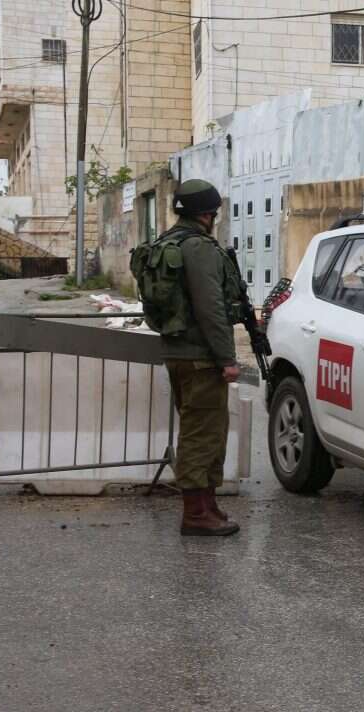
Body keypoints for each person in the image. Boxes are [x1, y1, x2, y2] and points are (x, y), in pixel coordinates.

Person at [159, 179, 242, 536]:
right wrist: (227, 358)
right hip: (201, 357)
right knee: (200, 435)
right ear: (206, 214)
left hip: (178, 352)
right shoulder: (199, 248)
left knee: (206, 430)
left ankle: (207, 505)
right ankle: (195, 515)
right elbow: (211, 309)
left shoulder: (168, 242)